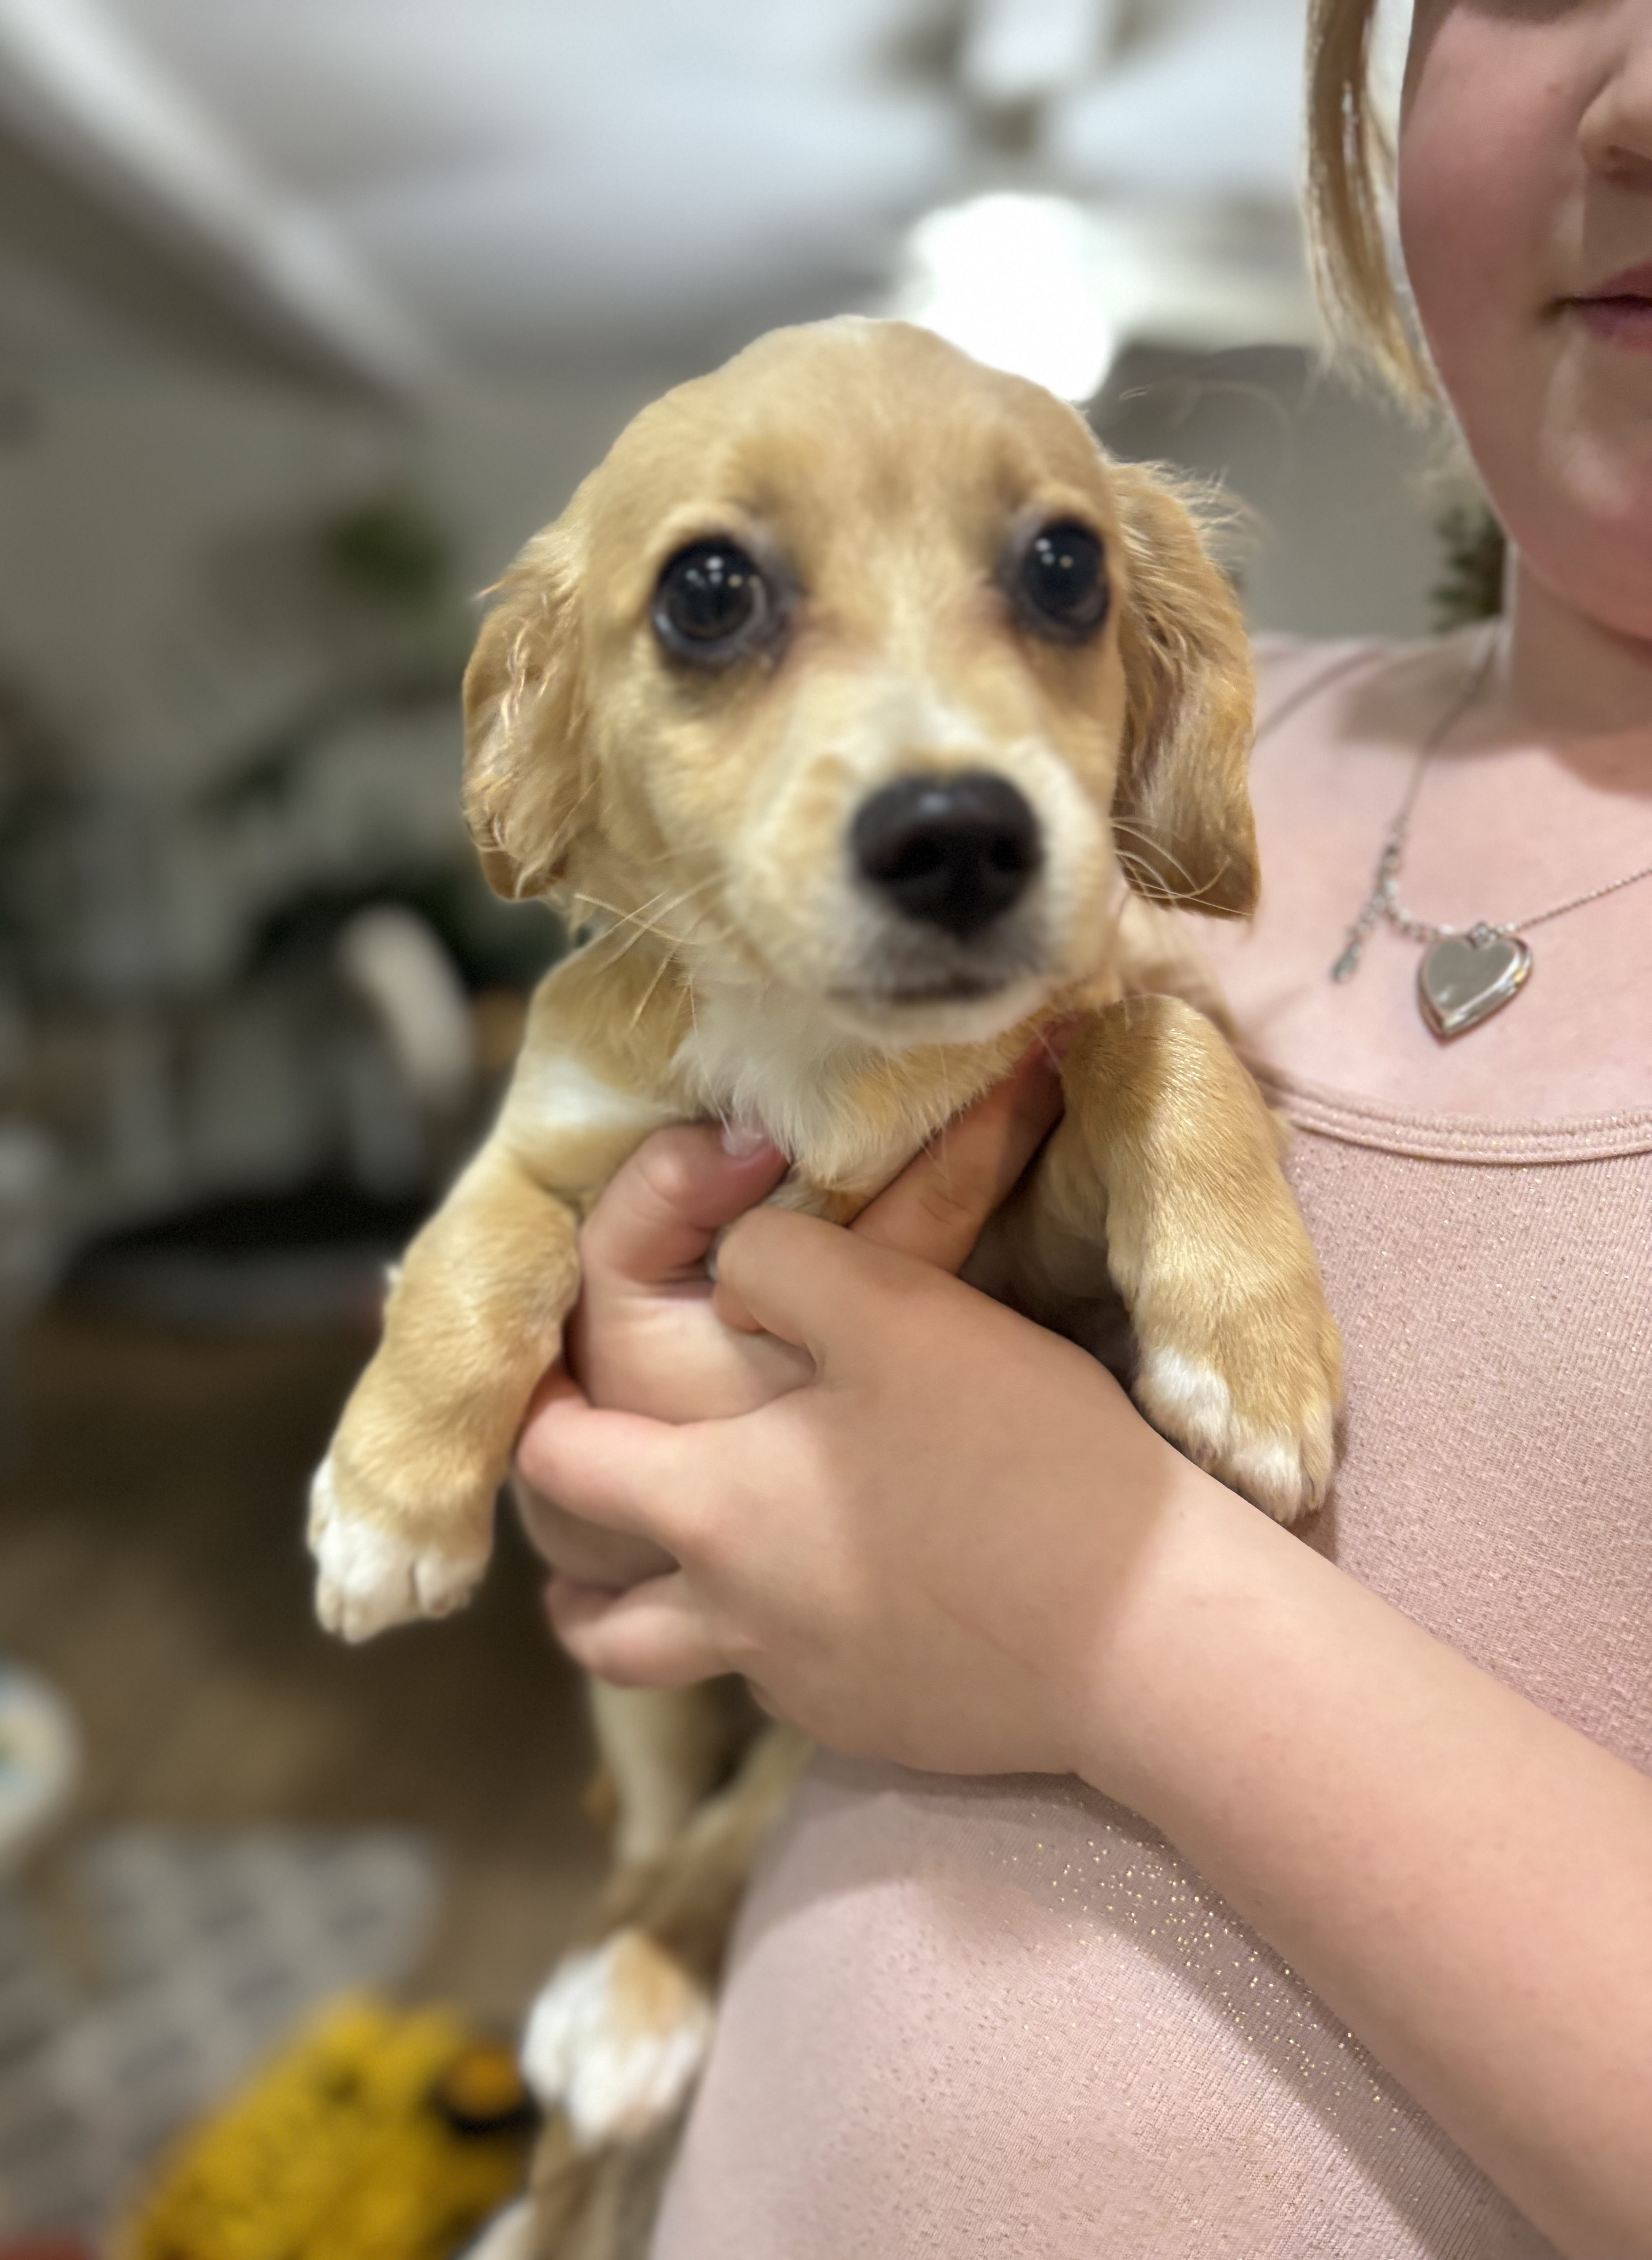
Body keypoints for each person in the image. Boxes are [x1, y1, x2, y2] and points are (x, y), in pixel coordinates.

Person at [512, 0, 1652, 2249]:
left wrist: (1102, 1620)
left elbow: (997, 1568)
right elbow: (676, 1506)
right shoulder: (1147, 743)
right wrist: (655, 1423)